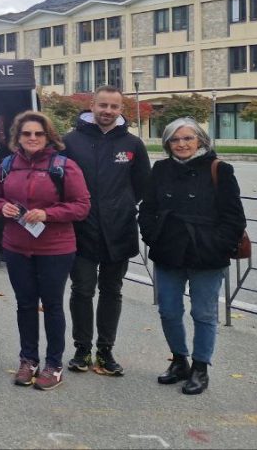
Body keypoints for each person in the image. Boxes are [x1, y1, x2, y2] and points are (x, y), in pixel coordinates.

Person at [138, 118, 245, 396]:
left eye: (188, 138)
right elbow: (147, 208)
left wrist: (218, 244)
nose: (182, 144)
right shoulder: (160, 169)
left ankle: (200, 367)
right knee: (169, 310)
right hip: (168, 250)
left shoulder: (219, 169)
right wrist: (152, 235)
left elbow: (234, 217)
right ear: (167, 144)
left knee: (204, 313)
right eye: (175, 139)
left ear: (200, 140)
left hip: (206, 253)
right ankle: (178, 360)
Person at [0, 111, 90, 391]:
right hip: (17, 247)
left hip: (55, 249)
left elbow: (82, 206)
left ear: (48, 137)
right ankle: (28, 360)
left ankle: (53, 364)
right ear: (17, 137)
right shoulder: (7, 165)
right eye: (26, 134)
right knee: (25, 304)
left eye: (38, 134)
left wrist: (48, 214)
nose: (32, 138)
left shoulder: (63, 166)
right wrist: (2, 208)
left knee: (53, 305)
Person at [61, 86, 150, 376]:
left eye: (114, 106)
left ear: (121, 109)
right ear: (92, 105)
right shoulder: (70, 142)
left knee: (112, 290)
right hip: (81, 230)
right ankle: (82, 350)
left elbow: (141, 186)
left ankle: (106, 351)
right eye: (103, 105)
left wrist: (120, 207)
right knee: (82, 290)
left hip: (119, 231)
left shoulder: (133, 144)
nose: (107, 111)